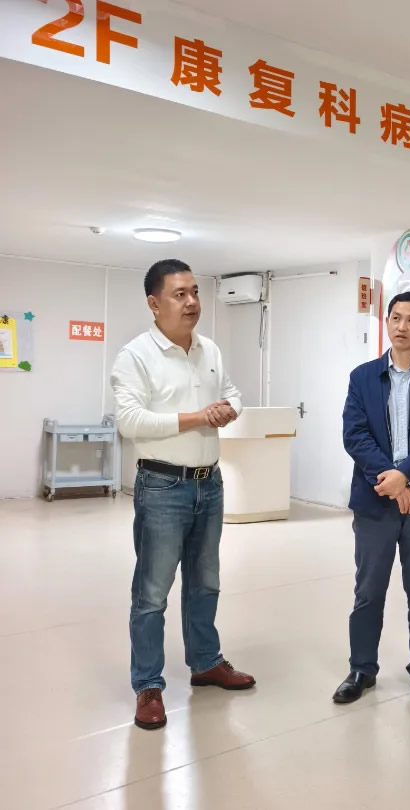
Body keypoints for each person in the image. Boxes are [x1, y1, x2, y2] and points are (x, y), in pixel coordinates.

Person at [111, 259, 254, 731]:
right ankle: (148, 685)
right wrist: (199, 417)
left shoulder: (209, 349)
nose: (192, 302)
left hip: (209, 483)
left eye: (195, 292)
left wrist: (228, 409)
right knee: (152, 593)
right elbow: (130, 421)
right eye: (180, 294)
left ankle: (206, 662)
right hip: (161, 486)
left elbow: (232, 392)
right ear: (154, 304)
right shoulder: (135, 356)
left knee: (205, 582)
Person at [333, 292, 410, 705]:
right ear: (386, 322)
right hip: (375, 500)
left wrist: (406, 477)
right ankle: (361, 669)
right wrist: (390, 480)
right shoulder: (363, 377)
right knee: (368, 592)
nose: (402, 326)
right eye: (396, 318)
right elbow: (355, 435)